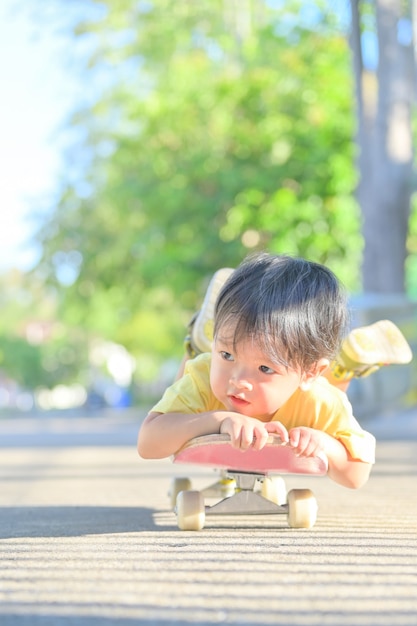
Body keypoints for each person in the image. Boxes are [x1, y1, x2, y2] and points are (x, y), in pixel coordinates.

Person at [137, 253, 412, 489]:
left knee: (318, 393)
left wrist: (325, 444)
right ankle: (200, 343)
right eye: (227, 355)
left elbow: (356, 476)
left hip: (309, 386)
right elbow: (149, 443)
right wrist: (218, 419)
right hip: (221, 366)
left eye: (265, 368)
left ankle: (343, 366)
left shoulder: (319, 400)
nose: (238, 381)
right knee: (196, 366)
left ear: (310, 372)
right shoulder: (205, 378)